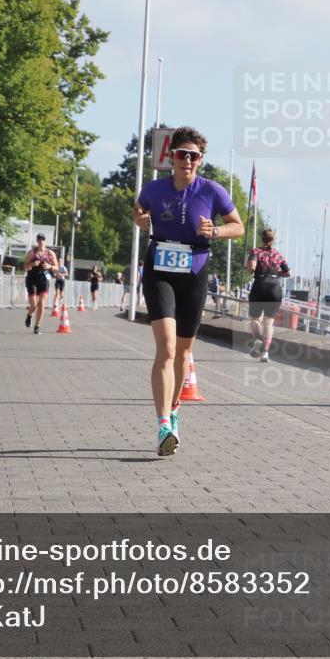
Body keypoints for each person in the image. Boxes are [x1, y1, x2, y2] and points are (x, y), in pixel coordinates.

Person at [133, 126, 244, 456]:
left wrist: (217, 231)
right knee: (165, 349)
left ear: (200, 160)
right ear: (171, 157)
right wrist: (140, 221)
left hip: (194, 271)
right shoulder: (153, 188)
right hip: (160, 270)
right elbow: (139, 211)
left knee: (183, 352)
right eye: (182, 154)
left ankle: (176, 408)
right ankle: (163, 424)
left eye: (194, 156)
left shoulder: (211, 191)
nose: (188, 161)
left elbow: (238, 226)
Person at [246, 229, 291, 362]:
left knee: (255, 319)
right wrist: (277, 274)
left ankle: (257, 340)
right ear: (273, 240)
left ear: (262, 239)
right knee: (269, 323)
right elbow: (288, 273)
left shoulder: (256, 251)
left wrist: (248, 267)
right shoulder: (278, 255)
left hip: (259, 285)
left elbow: (253, 267)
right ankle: (265, 352)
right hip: (274, 289)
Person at [22, 233, 58, 334]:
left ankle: (37, 326)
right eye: (39, 239)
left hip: (44, 280)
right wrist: (32, 264)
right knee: (33, 305)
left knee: (42, 304)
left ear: (45, 241)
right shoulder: (32, 252)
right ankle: (29, 315)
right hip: (32, 280)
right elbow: (24, 266)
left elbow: (57, 268)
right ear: (37, 241)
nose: (41, 241)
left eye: (43, 239)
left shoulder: (50, 253)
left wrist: (49, 266)